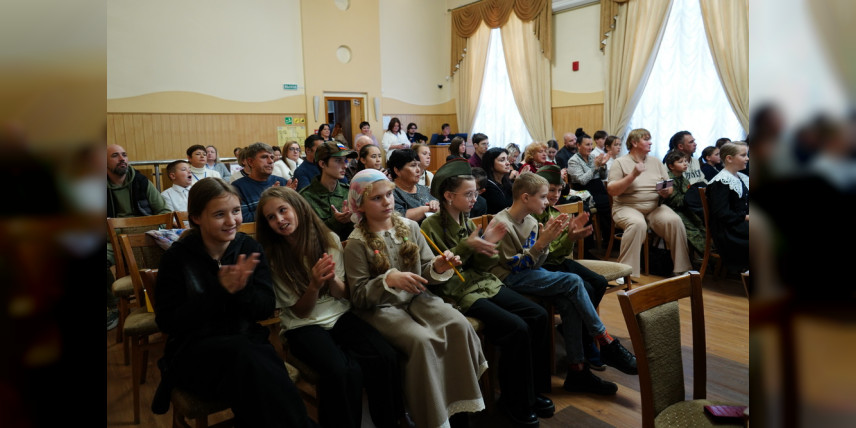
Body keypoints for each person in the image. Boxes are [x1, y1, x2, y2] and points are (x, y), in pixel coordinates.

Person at [152, 177, 313, 428]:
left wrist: (239, 291)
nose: (231, 221)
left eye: (236, 211)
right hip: (196, 354)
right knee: (257, 371)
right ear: (196, 218)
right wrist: (219, 291)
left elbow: (264, 308)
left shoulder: (248, 247)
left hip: (246, 350)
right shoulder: (177, 258)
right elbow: (169, 322)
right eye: (219, 214)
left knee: (257, 380)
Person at [343, 169, 487, 428]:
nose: (387, 202)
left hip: (418, 299)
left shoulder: (409, 227)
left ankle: (460, 405)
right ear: (359, 204)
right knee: (422, 341)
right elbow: (359, 296)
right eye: (377, 198)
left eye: (389, 195)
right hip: (382, 308)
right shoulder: (356, 243)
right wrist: (388, 280)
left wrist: (439, 267)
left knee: (458, 324)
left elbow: (425, 268)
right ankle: (432, 413)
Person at [257, 186, 405, 428]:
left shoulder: (329, 239)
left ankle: (389, 421)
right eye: (271, 217)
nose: (279, 220)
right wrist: (314, 284)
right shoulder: (273, 256)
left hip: (338, 314)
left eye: (283, 210)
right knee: (343, 371)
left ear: (298, 208)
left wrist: (331, 280)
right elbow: (300, 312)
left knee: (384, 356)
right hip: (302, 326)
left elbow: (343, 294)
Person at [421, 159, 555, 426]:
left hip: (485, 283)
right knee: (517, 328)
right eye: (468, 194)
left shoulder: (469, 224)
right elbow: (439, 276)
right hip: (458, 293)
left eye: (475, 193)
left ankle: (532, 391)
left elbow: (484, 266)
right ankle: (513, 401)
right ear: (449, 196)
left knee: (538, 316)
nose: (474, 199)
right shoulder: (430, 227)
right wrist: (467, 246)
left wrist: (487, 244)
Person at [489, 172, 638, 394]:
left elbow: (537, 261)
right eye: (542, 196)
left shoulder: (530, 220)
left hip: (527, 273)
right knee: (574, 281)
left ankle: (577, 371)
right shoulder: (502, 223)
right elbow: (516, 267)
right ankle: (604, 340)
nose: (547, 200)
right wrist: (542, 243)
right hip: (507, 279)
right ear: (525, 197)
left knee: (569, 302)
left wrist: (545, 243)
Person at [533, 165, 610, 371]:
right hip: (543, 265)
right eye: (551, 190)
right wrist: (569, 238)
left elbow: (558, 252)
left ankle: (579, 332)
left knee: (599, 281)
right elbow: (547, 254)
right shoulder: (535, 214)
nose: (555, 195)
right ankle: (586, 342)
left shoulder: (553, 211)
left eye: (559, 190)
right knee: (586, 287)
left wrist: (570, 238)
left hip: (557, 260)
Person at [606, 128, 692, 279]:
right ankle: (624, 271)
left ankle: (682, 269)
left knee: (674, 221)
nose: (650, 142)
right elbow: (612, 190)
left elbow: (668, 185)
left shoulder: (656, 161)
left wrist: (667, 191)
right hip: (626, 207)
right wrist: (633, 175)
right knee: (637, 224)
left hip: (654, 207)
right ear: (634, 142)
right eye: (646, 139)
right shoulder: (620, 162)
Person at [298, 142, 356, 242]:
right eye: (338, 161)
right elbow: (308, 236)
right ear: (322, 164)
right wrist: (336, 221)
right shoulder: (305, 197)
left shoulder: (350, 191)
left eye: (345, 160)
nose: (345, 166)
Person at [706, 141, 750, 274]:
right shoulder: (722, 181)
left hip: (738, 224)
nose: (747, 158)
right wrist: (746, 217)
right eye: (743, 155)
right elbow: (721, 213)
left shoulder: (740, 177)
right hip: (728, 230)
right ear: (729, 158)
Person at [567, 131, 611, 246]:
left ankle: (609, 240)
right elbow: (582, 180)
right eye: (587, 145)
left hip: (598, 189)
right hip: (584, 191)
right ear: (578, 145)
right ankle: (592, 245)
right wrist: (595, 167)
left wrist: (603, 166)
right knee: (607, 204)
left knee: (613, 203)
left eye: (591, 144)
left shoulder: (592, 157)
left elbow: (603, 176)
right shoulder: (573, 161)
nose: (590, 147)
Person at [107, 144, 171, 219]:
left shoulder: (141, 181)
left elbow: (164, 212)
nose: (122, 159)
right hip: (113, 230)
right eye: (115, 156)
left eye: (124, 155)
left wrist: (156, 228)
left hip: (146, 228)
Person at [663, 150, 706, 260]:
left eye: (685, 161)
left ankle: (711, 255)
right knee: (693, 230)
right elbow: (675, 201)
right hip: (672, 210)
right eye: (680, 162)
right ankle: (709, 256)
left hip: (685, 208)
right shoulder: (667, 180)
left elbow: (688, 197)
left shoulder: (684, 178)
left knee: (700, 224)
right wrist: (692, 198)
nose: (685, 164)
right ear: (671, 166)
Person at [232, 142, 291, 222]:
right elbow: (244, 219)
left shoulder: (283, 183)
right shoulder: (237, 188)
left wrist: (292, 200)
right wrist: (270, 205)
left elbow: (295, 213)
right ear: (250, 162)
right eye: (264, 157)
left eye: (272, 157)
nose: (270, 161)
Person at [387, 149, 439, 223]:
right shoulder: (390, 193)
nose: (418, 170)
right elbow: (398, 217)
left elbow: (440, 208)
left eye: (419, 165)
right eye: (413, 165)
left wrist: (435, 204)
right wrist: (426, 209)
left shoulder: (424, 189)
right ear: (397, 170)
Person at [481, 147, 515, 215]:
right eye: (502, 160)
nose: (508, 163)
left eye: (507, 159)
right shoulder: (487, 186)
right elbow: (504, 207)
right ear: (490, 165)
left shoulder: (506, 182)